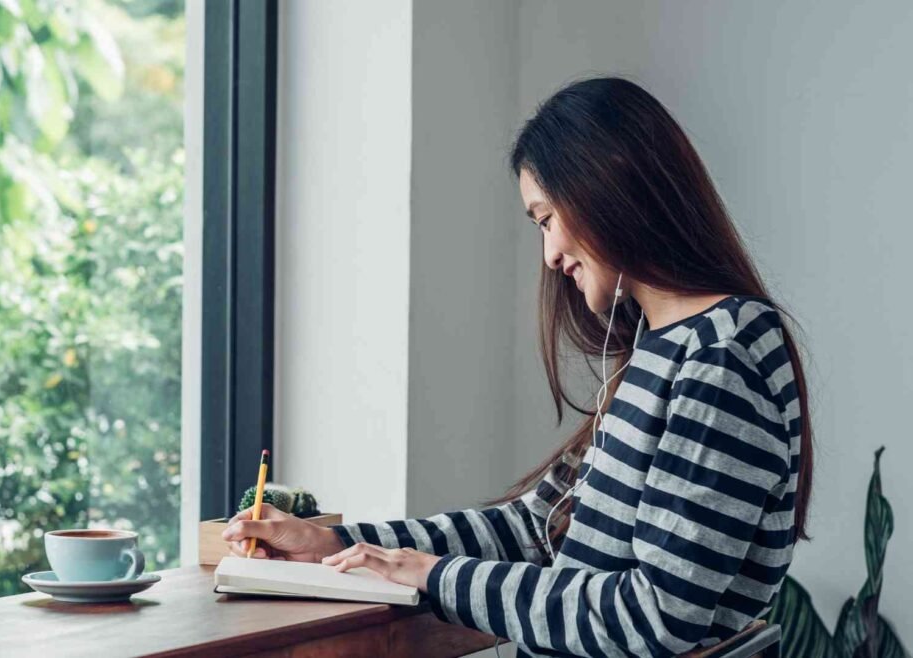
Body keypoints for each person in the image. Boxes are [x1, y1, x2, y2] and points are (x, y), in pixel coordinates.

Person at [221, 77, 812, 658]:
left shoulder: (720, 355)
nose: (551, 256)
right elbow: (540, 528)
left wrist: (431, 574)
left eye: (546, 218)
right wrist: (336, 543)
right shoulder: (664, 346)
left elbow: (655, 616)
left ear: (607, 192)